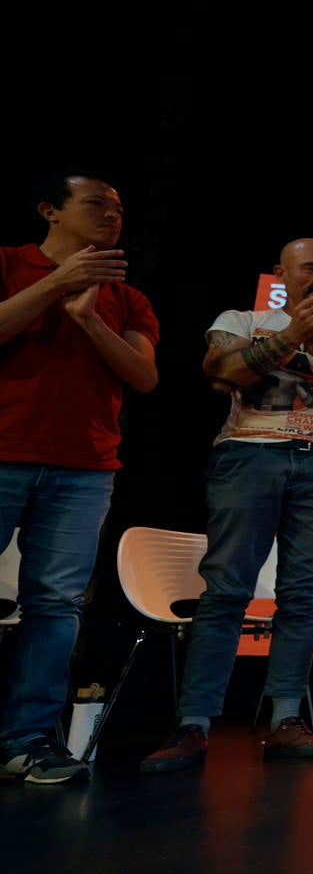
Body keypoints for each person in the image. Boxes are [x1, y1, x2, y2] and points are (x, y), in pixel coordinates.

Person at [140, 239, 313, 772]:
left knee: (302, 596)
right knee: (226, 591)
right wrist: (292, 335)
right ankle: (194, 723)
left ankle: (285, 719)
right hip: (249, 455)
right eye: (311, 267)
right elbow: (222, 374)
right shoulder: (242, 319)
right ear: (282, 274)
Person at [0, 171, 159, 784]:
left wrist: (90, 319)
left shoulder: (127, 297)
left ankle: (27, 740)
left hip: (86, 468)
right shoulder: (10, 264)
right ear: (50, 210)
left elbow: (143, 377)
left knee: (56, 605)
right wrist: (57, 287)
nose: (113, 216)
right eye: (96, 204)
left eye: (119, 209)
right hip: (6, 450)